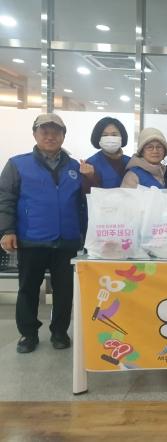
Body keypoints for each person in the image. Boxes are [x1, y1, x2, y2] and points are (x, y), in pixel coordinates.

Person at [0, 114, 93, 353]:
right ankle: (28, 334)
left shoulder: (76, 167)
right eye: (44, 131)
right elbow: (5, 199)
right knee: (28, 289)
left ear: (63, 136)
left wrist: (85, 235)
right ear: (35, 134)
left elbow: (85, 203)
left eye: (56, 132)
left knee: (65, 291)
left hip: (67, 240)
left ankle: (60, 332)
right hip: (31, 239)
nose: (50, 136)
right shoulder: (17, 164)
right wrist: (7, 230)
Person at [85, 117, 130, 188]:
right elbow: (87, 192)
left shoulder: (130, 162)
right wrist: (90, 176)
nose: (110, 139)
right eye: (105, 135)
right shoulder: (91, 163)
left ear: (122, 137)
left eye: (114, 135)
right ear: (98, 138)